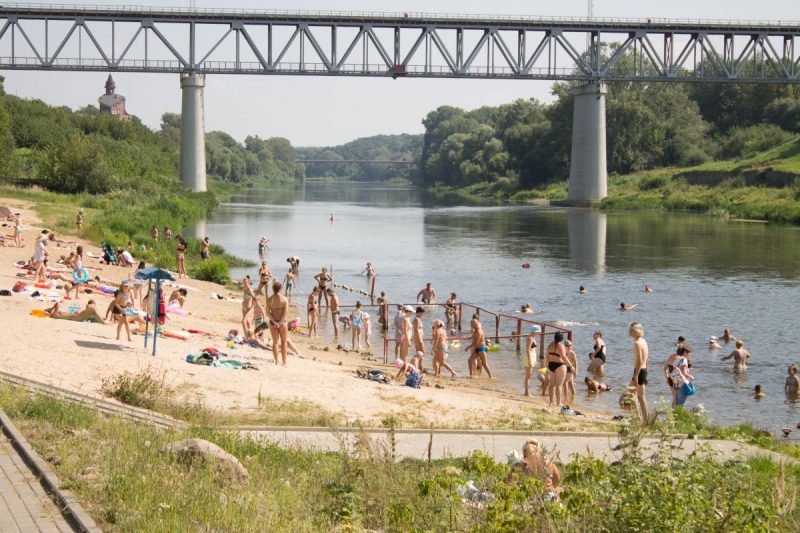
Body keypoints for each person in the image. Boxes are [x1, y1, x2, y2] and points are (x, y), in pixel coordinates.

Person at [544, 332, 572, 407]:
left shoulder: (550, 345)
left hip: (551, 365)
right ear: (561, 339)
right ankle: (558, 403)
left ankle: (551, 402)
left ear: (554, 337)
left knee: (552, 384)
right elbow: (563, 357)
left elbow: (546, 355)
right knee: (559, 385)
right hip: (560, 365)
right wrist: (570, 365)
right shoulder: (561, 345)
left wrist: (546, 364)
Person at [629, 322, 649, 423]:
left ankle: (642, 420)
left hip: (639, 371)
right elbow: (647, 358)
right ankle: (642, 419)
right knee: (636, 396)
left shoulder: (637, 343)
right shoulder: (643, 341)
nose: (629, 332)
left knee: (638, 397)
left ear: (636, 331)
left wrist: (636, 376)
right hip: (643, 370)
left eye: (631, 330)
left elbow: (640, 361)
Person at [266, 281, 289, 366]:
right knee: (284, 342)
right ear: (280, 289)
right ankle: (284, 362)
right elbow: (285, 313)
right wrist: (280, 322)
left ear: (273, 289)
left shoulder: (269, 299)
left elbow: (268, 313)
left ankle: (276, 361)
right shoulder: (284, 299)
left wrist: (275, 322)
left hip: (273, 322)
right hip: (282, 323)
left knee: (275, 342)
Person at [523, 325, 540, 396]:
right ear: (534, 332)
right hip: (529, 358)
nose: (539, 333)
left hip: (532, 358)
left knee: (529, 376)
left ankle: (527, 392)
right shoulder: (530, 338)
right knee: (528, 376)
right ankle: (527, 392)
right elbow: (528, 350)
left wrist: (533, 360)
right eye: (538, 332)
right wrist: (530, 361)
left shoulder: (533, 338)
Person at [412, 306, 426, 370]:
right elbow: (416, 330)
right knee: (421, 352)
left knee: (419, 352)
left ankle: (419, 366)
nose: (422, 314)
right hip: (418, 337)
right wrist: (420, 339)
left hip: (417, 337)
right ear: (418, 312)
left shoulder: (416, 319)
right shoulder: (417, 319)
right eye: (422, 313)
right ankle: (419, 366)